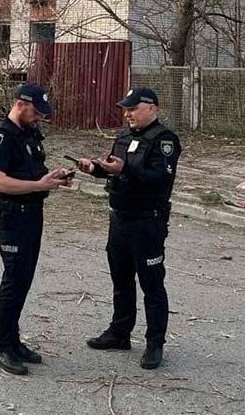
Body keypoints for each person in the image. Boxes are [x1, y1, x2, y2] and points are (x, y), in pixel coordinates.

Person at [76, 87, 182, 370]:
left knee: (151, 283)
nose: (128, 114)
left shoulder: (165, 141)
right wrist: (95, 169)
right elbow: (115, 168)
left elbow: (159, 179)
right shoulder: (123, 137)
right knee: (121, 279)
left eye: (133, 108)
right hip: (119, 218)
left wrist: (124, 170)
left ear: (152, 108)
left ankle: (155, 342)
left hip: (147, 221)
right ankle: (120, 333)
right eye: (126, 108)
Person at [0, 83, 74, 376]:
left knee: (24, 279)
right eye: (36, 111)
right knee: (13, 279)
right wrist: (39, 185)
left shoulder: (29, 134)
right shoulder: (1, 138)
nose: (39, 118)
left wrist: (52, 177)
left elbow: (32, 172)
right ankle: (1, 347)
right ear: (20, 104)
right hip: (11, 217)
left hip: (32, 214)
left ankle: (14, 340)